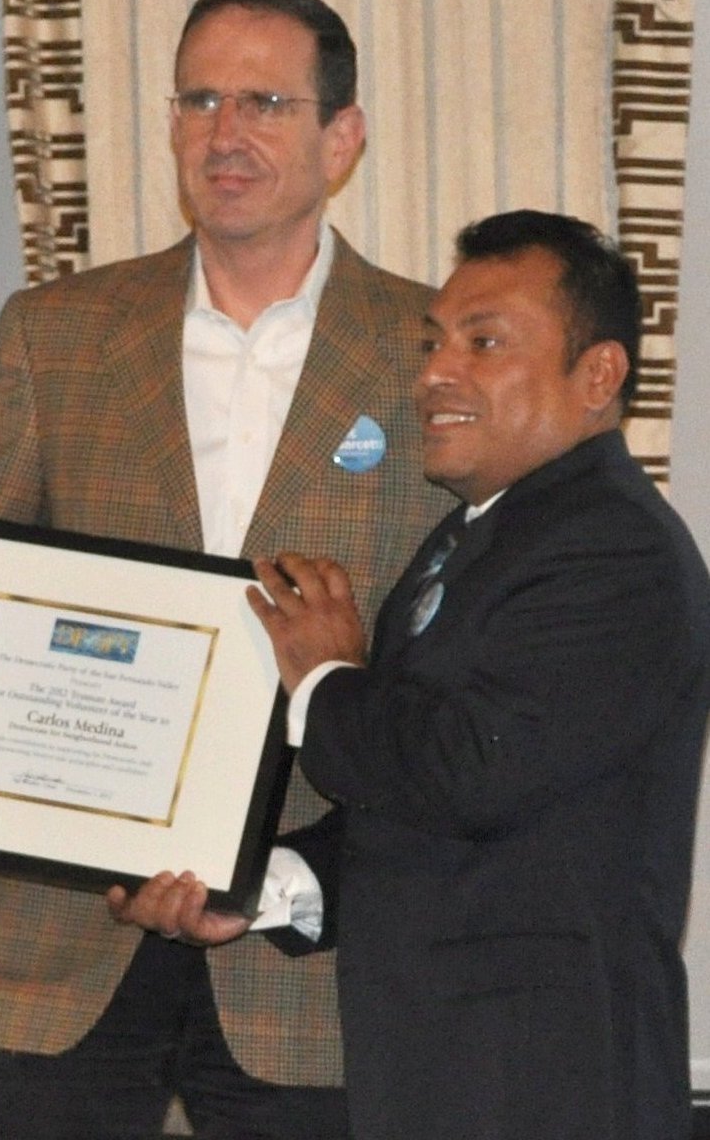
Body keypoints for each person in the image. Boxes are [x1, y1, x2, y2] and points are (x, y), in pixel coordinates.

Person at [0, 0, 449, 1138]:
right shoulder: (57, 332)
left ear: (341, 137)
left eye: (264, 102)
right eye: (198, 100)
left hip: (309, 935)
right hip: (66, 929)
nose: (224, 132)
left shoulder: (430, 349)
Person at [243, 210, 710, 1138]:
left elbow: (470, 771)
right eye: (435, 343)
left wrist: (326, 677)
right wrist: (259, 883)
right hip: (452, 1077)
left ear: (599, 375)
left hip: (545, 1085)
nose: (434, 375)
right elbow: (430, 817)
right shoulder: (481, 537)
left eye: (483, 342)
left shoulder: (613, 551)